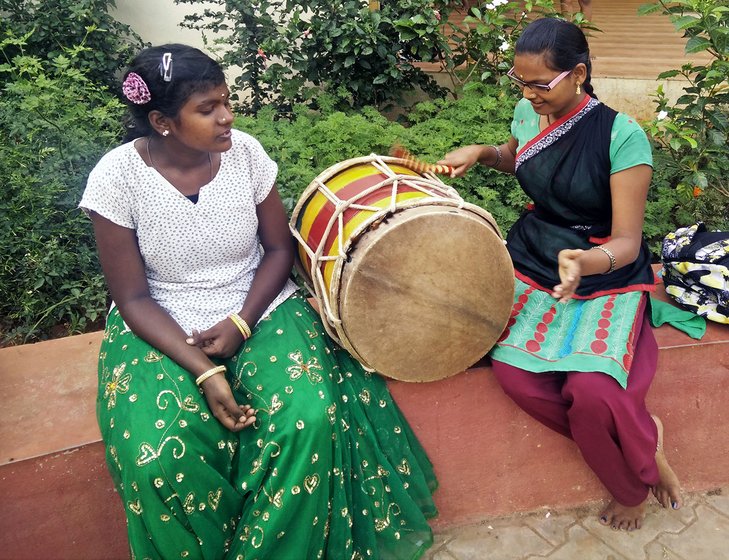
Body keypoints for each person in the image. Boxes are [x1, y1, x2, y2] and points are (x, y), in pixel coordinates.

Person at [80, 43, 437, 559]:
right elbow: (132, 297)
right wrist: (204, 371)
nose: (227, 117)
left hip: (259, 303)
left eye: (226, 101)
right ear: (161, 121)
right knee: (152, 456)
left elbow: (277, 250)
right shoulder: (116, 179)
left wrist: (242, 323)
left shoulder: (244, 153)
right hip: (160, 319)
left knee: (307, 419)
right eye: (207, 109)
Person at [439, 17, 682, 531]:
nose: (528, 96)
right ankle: (642, 440)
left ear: (577, 73)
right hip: (535, 256)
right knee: (517, 377)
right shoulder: (530, 114)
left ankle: (630, 483)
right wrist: (482, 155)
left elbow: (628, 241)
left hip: (603, 268)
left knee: (593, 391)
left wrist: (583, 263)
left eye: (539, 84)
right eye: (519, 82)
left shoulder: (622, 135)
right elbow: (520, 158)